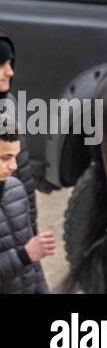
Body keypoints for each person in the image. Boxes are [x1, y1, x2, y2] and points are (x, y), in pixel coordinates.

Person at [0, 133, 52, 294]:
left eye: (15, 157)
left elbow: (33, 261)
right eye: (5, 158)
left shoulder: (15, 189)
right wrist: (24, 256)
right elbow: (29, 254)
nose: (14, 166)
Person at [0, 34, 36, 227]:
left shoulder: (9, 103)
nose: (10, 72)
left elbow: (23, 172)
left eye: (10, 63)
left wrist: (31, 226)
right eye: (1, 65)